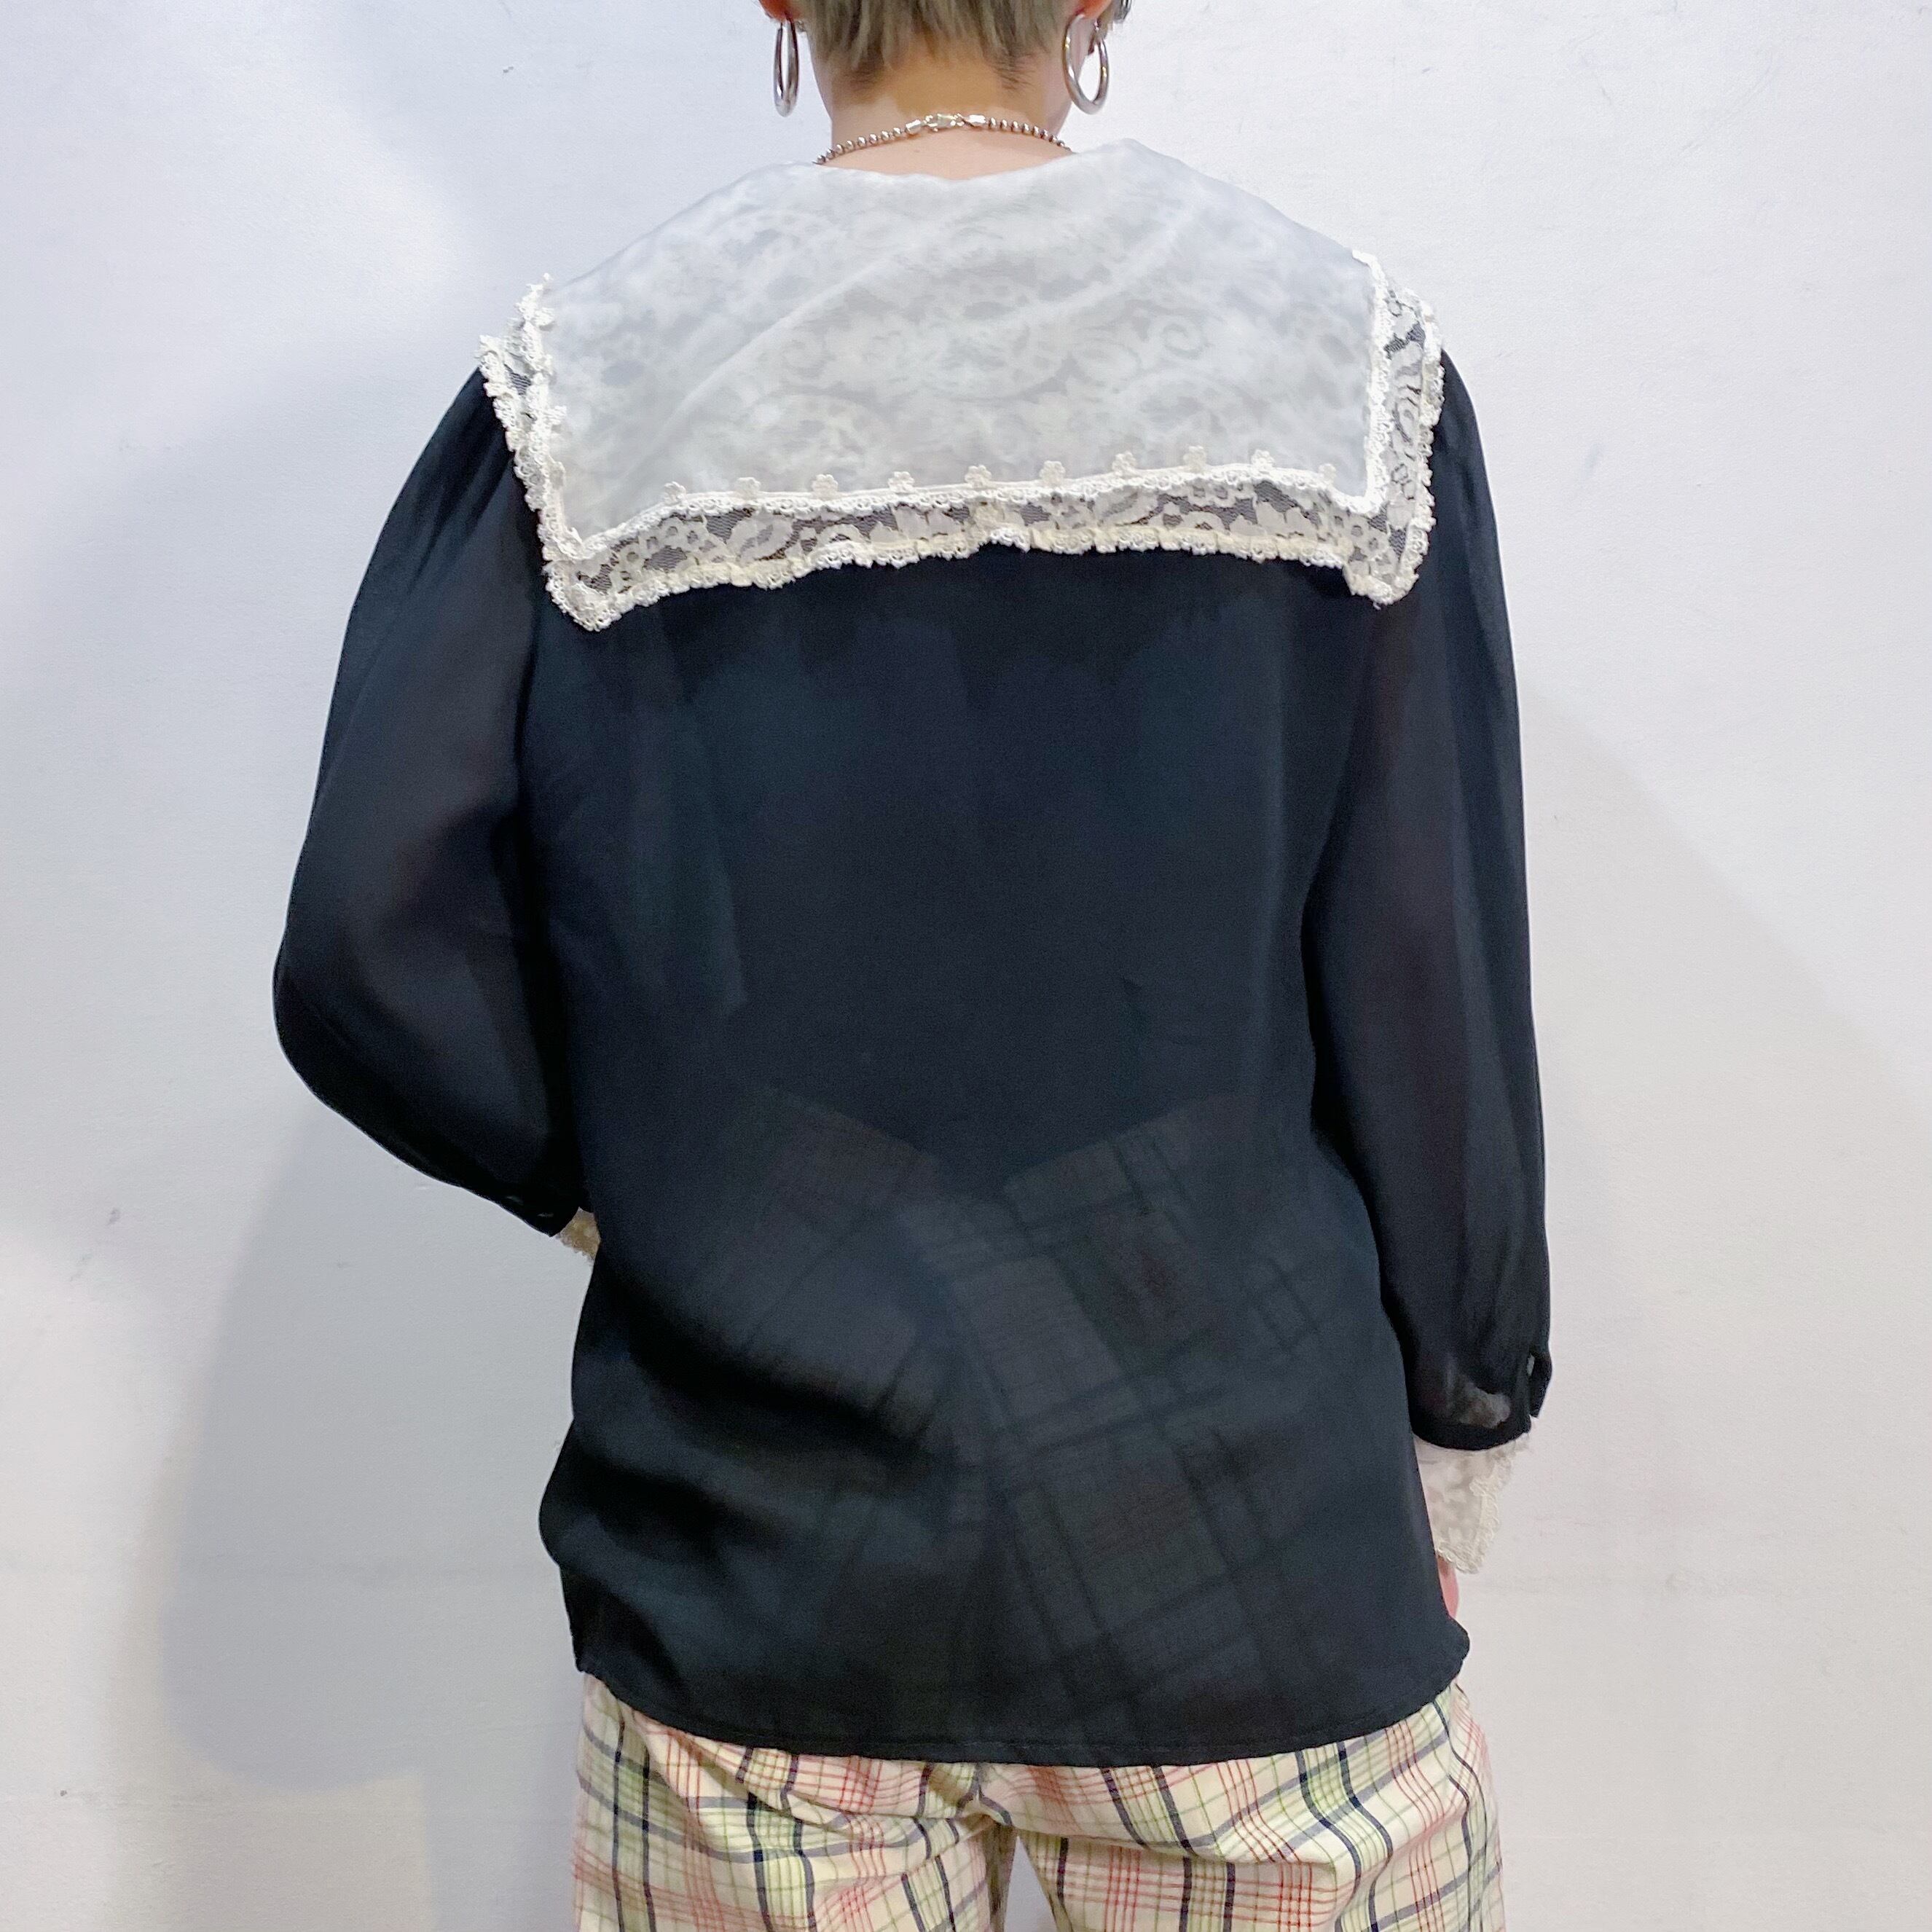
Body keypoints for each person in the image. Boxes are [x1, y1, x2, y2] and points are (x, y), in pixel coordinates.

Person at [272, 1, 1552, 1924]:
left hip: (760, 1572)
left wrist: (631, 1186)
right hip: (1250, 1562)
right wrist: (1466, 1401)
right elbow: (1427, 973)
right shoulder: (1337, 367)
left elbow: (368, 942)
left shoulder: (585, 388)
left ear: (779, 1)